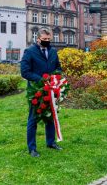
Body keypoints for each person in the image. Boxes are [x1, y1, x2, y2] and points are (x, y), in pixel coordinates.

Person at [21, 28, 63, 157]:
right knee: (33, 119)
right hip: (36, 91)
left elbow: (58, 67)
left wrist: (56, 78)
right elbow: (25, 71)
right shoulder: (29, 52)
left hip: (51, 89)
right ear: (38, 39)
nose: (47, 42)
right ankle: (32, 148)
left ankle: (50, 142)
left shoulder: (53, 51)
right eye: (44, 40)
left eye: (49, 39)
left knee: (50, 116)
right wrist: (42, 80)